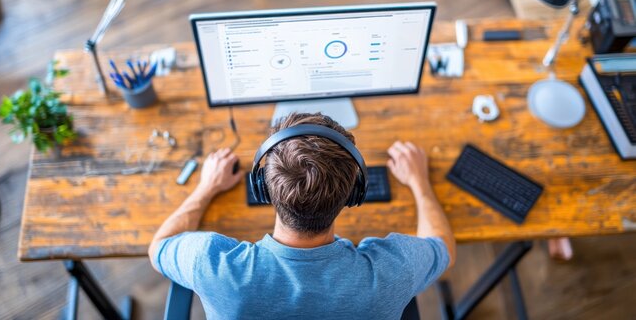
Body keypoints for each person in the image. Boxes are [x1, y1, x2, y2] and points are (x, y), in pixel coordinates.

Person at [149, 113, 456, 319]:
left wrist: (206, 188)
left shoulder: (214, 266)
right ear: (354, 193)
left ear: (263, 188)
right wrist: (419, 182)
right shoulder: (392, 273)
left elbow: (159, 246)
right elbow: (443, 247)